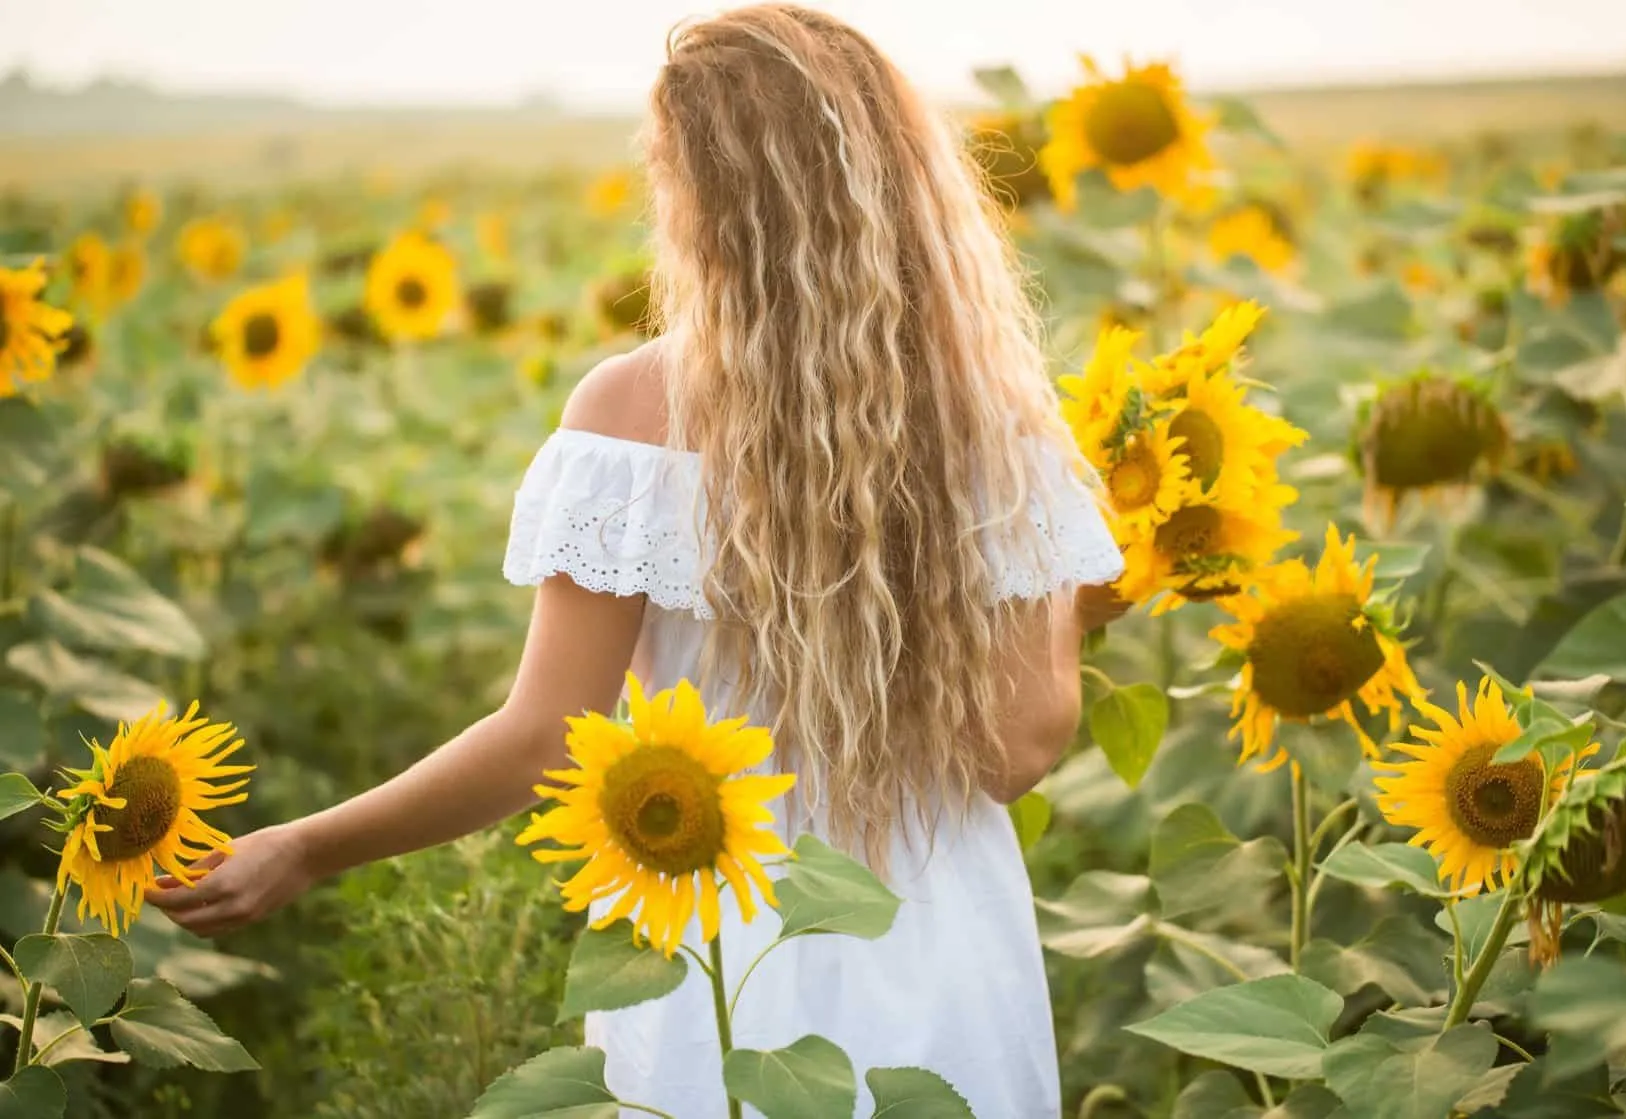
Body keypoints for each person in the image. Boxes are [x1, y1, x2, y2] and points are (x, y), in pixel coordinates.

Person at [148, 5, 1129, 1115]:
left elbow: (540, 740)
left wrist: (309, 846)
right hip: (938, 943)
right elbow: (1012, 747)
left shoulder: (629, 414)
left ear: (710, 202)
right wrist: (1053, 594)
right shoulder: (998, 430)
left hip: (709, 926)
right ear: (897, 183)